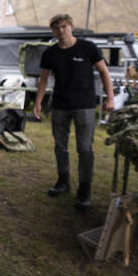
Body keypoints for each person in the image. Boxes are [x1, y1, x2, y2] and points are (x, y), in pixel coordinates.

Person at [33, 13, 115, 209]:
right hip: (60, 105)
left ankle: (84, 190)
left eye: (64, 27)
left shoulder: (88, 47)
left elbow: (104, 71)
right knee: (60, 146)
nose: (61, 31)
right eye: (56, 28)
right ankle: (63, 182)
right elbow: (43, 80)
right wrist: (38, 102)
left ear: (71, 26)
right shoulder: (50, 53)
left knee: (85, 148)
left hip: (84, 106)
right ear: (52, 31)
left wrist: (110, 97)